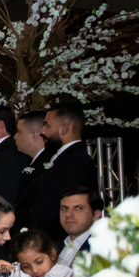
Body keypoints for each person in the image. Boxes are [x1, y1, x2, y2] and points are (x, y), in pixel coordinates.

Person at [31, 103, 99, 242]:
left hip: (56, 242)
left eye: (47, 125)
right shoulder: (64, 158)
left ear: (65, 128)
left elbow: (64, 209)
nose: (42, 131)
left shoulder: (74, 161)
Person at [11, 111, 53, 231]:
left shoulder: (47, 166)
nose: (15, 136)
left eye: (19, 132)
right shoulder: (35, 163)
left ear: (34, 135)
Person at [57, 188, 103, 267]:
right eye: (64, 208)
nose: (68, 214)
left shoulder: (103, 249)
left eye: (78, 208)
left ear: (96, 215)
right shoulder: (54, 248)